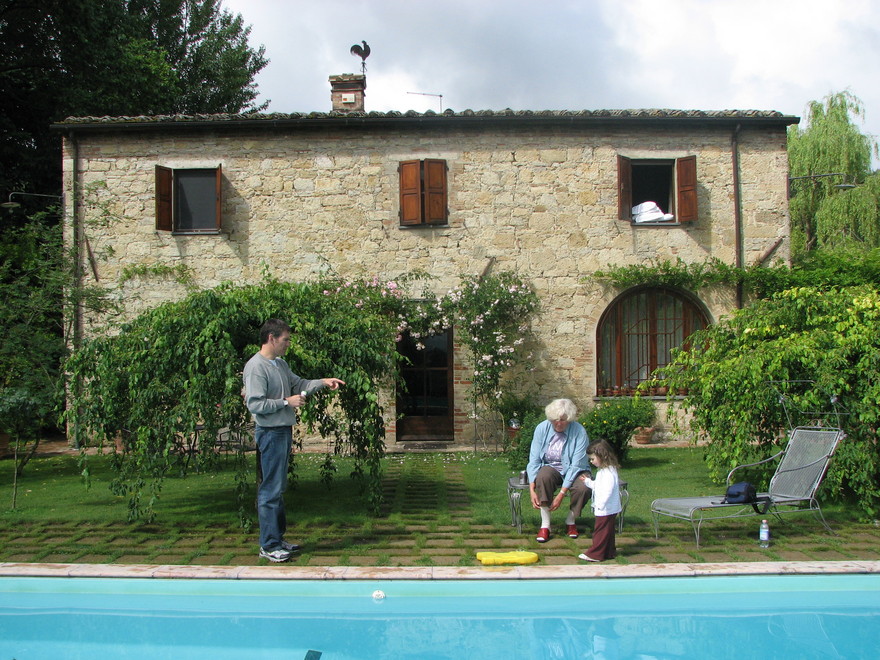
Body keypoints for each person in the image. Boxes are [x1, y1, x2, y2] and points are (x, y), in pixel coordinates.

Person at [243, 318, 345, 562]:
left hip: (282, 431)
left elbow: (299, 384)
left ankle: (277, 540)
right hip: (270, 433)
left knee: (278, 488)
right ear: (271, 338)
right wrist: (286, 402)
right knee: (270, 489)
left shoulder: (280, 364)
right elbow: (255, 404)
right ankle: (268, 546)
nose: (288, 344)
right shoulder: (256, 367)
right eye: (286, 339)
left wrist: (323, 382)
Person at [526, 398, 591, 543]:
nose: (558, 423)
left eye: (562, 420)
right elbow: (534, 460)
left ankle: (570, 521)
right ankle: (545, 525)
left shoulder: (579, 431)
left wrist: (561, 494)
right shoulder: (541, 428)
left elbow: (576, 465)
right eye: (554, 420)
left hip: (576, 469)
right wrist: (531, 489)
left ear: (569, 419)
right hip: (551, 466)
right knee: (543, 476)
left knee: (584, 487)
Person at [577, 440, 622, 562]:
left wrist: (600, 505)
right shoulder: (605, 470)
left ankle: (595, 554)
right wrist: (587, 482)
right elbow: (598, 485)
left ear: (602, 456)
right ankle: (609, 552)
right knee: (608, 531)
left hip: (606, 508)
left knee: (600, 531)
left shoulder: (608, 473)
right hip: (609, 508)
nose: (591, 462)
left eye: (593, 459)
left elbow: (607, 491)